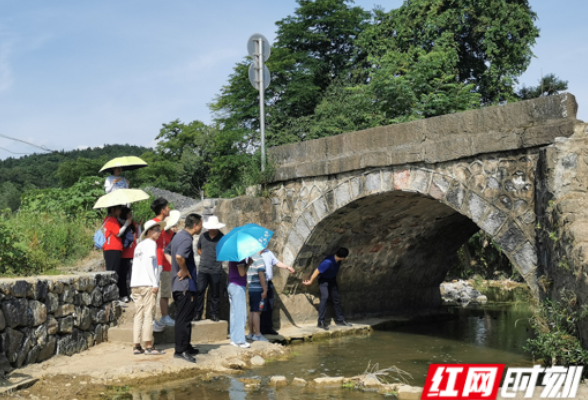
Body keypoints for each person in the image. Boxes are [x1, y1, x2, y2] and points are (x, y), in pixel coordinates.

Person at [164, 213, 203, 363]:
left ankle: (186, 346)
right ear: (196, 225)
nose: (201, 227)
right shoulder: (186, 239)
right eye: (201, 224)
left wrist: (175, 267)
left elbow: (167, 252)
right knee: (184, 319)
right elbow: (180, 257)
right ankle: (180, 350)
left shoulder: (178, 236)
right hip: (185, 285)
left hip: (178, 284)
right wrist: (183, 269)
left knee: (185, 317)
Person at [130, 219, 166, 356]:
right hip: (146, 283)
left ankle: (136, 345)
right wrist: (154, 282)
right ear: (149, 232)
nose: (159, 233)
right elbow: (149, 263)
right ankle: (149, 346)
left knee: (138, 314)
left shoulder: (139, 245)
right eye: (156, 230)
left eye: (159, 230)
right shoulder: (151, 244)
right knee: (148, 315)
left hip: (136, 284)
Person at [302, 248, 352, 330]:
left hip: (332, 280)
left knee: (336, 299)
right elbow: (317, 271)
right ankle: (320, 322)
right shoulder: (327, 262)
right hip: (323, 280)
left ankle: (340, 320)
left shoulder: (338, 261)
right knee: (324, 298)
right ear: (343, 257)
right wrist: (310, 281)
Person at [194, 216, 225, 322]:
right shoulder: (203, 236)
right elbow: (198, 249)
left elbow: (224, 252)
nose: (211, 229)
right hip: (203, 269)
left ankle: (214, 314)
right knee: (199, 291)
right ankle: (197, 314)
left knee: (215, 294)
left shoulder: (222, 237)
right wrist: (204, 257)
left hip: (216, 270)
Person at [150, 197, 175, 328]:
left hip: (166, 262)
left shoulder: (166, 225)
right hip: (155, 262)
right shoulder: (152, 224)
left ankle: (165, 317)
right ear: (162, 210)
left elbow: (168, 243)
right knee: (153, 291)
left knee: (165, 291)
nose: (169, 209)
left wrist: (172, 232)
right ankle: (151, 318)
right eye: (167, 207)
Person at [259, 249, 295, 335]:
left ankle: (269, 327)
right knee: (261, 306)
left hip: (269, 282)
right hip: (259, 283)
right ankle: (260, 329)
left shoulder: (268, 252)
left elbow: (277, 262)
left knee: (270, 305)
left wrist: (287, 267)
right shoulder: (254, 254)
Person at [228, 258, 251, 348]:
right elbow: (242, 273)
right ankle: (240, 340)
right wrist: (248, 264)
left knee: (234, 314)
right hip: (238, 286)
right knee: (241, 314)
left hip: (232, 285)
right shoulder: (239, 259)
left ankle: (234, 339)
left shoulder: (232, 258)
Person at [246, 252, 268, 342]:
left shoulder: (251, 256)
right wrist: (265, 289)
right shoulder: (258, 258)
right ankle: (257, 335)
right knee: (257, 312)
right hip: (258, 289)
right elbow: (261, 274)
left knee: (252, 311)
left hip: (251, 288)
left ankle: (251, 333)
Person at [103, 205, 132, 274]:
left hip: (109, 248)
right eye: (119, 209)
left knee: (111, 270)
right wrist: (126, 224)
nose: (120, 211)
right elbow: (118, 233)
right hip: (113, 248)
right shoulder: (112, 220)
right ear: (113, 210)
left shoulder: (107, 219)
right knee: (113, 272)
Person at [119, 206, 138, 303]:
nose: (131, 216)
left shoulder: (133, 224)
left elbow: (138, 236)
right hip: (124, 254)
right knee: (123, 276)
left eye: (131, 214)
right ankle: (123, 294)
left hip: (133, 253)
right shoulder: (122, 225)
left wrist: (138, 226)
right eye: (129, 214)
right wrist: (126, 224)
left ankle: (133, 294)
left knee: (133, 276)